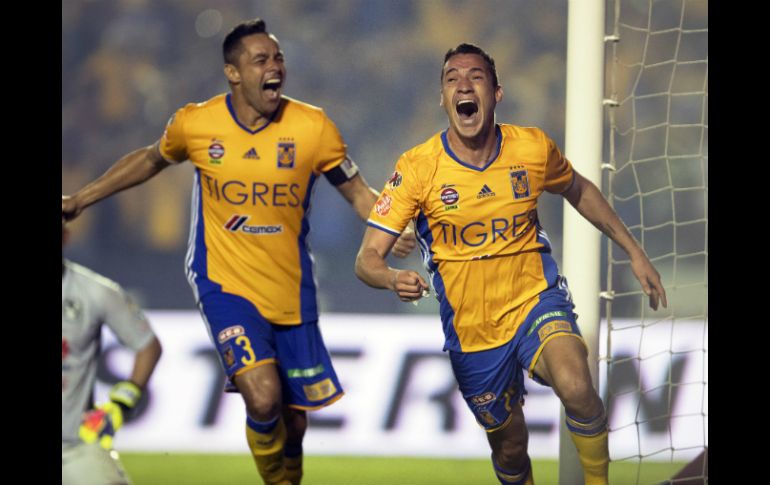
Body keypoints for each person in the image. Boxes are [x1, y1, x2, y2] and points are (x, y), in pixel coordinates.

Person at [62, 18, 415, 485]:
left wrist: (390, 227)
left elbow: (356, 192)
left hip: (291, 285)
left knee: (294, 421)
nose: (275, 68)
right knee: (263, 396)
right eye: (261, 59)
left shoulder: (313, 127)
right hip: (223, 282)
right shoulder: (196, 123)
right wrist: (81, 198)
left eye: (279, 58)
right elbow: (149, 160)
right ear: (233, 73)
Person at [355, 43, 667, 485]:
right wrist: (389, 278)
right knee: (511, 447)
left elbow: (578, 189)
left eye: (476, 76)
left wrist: (633, 251)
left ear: (496, 92)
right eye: (452, 79)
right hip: (473, 331)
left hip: (534, 300)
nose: (464, 84)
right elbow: (366, 259)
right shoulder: (418, 168)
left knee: (578, 386)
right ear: (442, 99)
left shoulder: (532, 148)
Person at [62, 219, 163, 485]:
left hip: (75, 446)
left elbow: (147, 346)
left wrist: (122, 402)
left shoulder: (96, 291)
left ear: (65, 237)